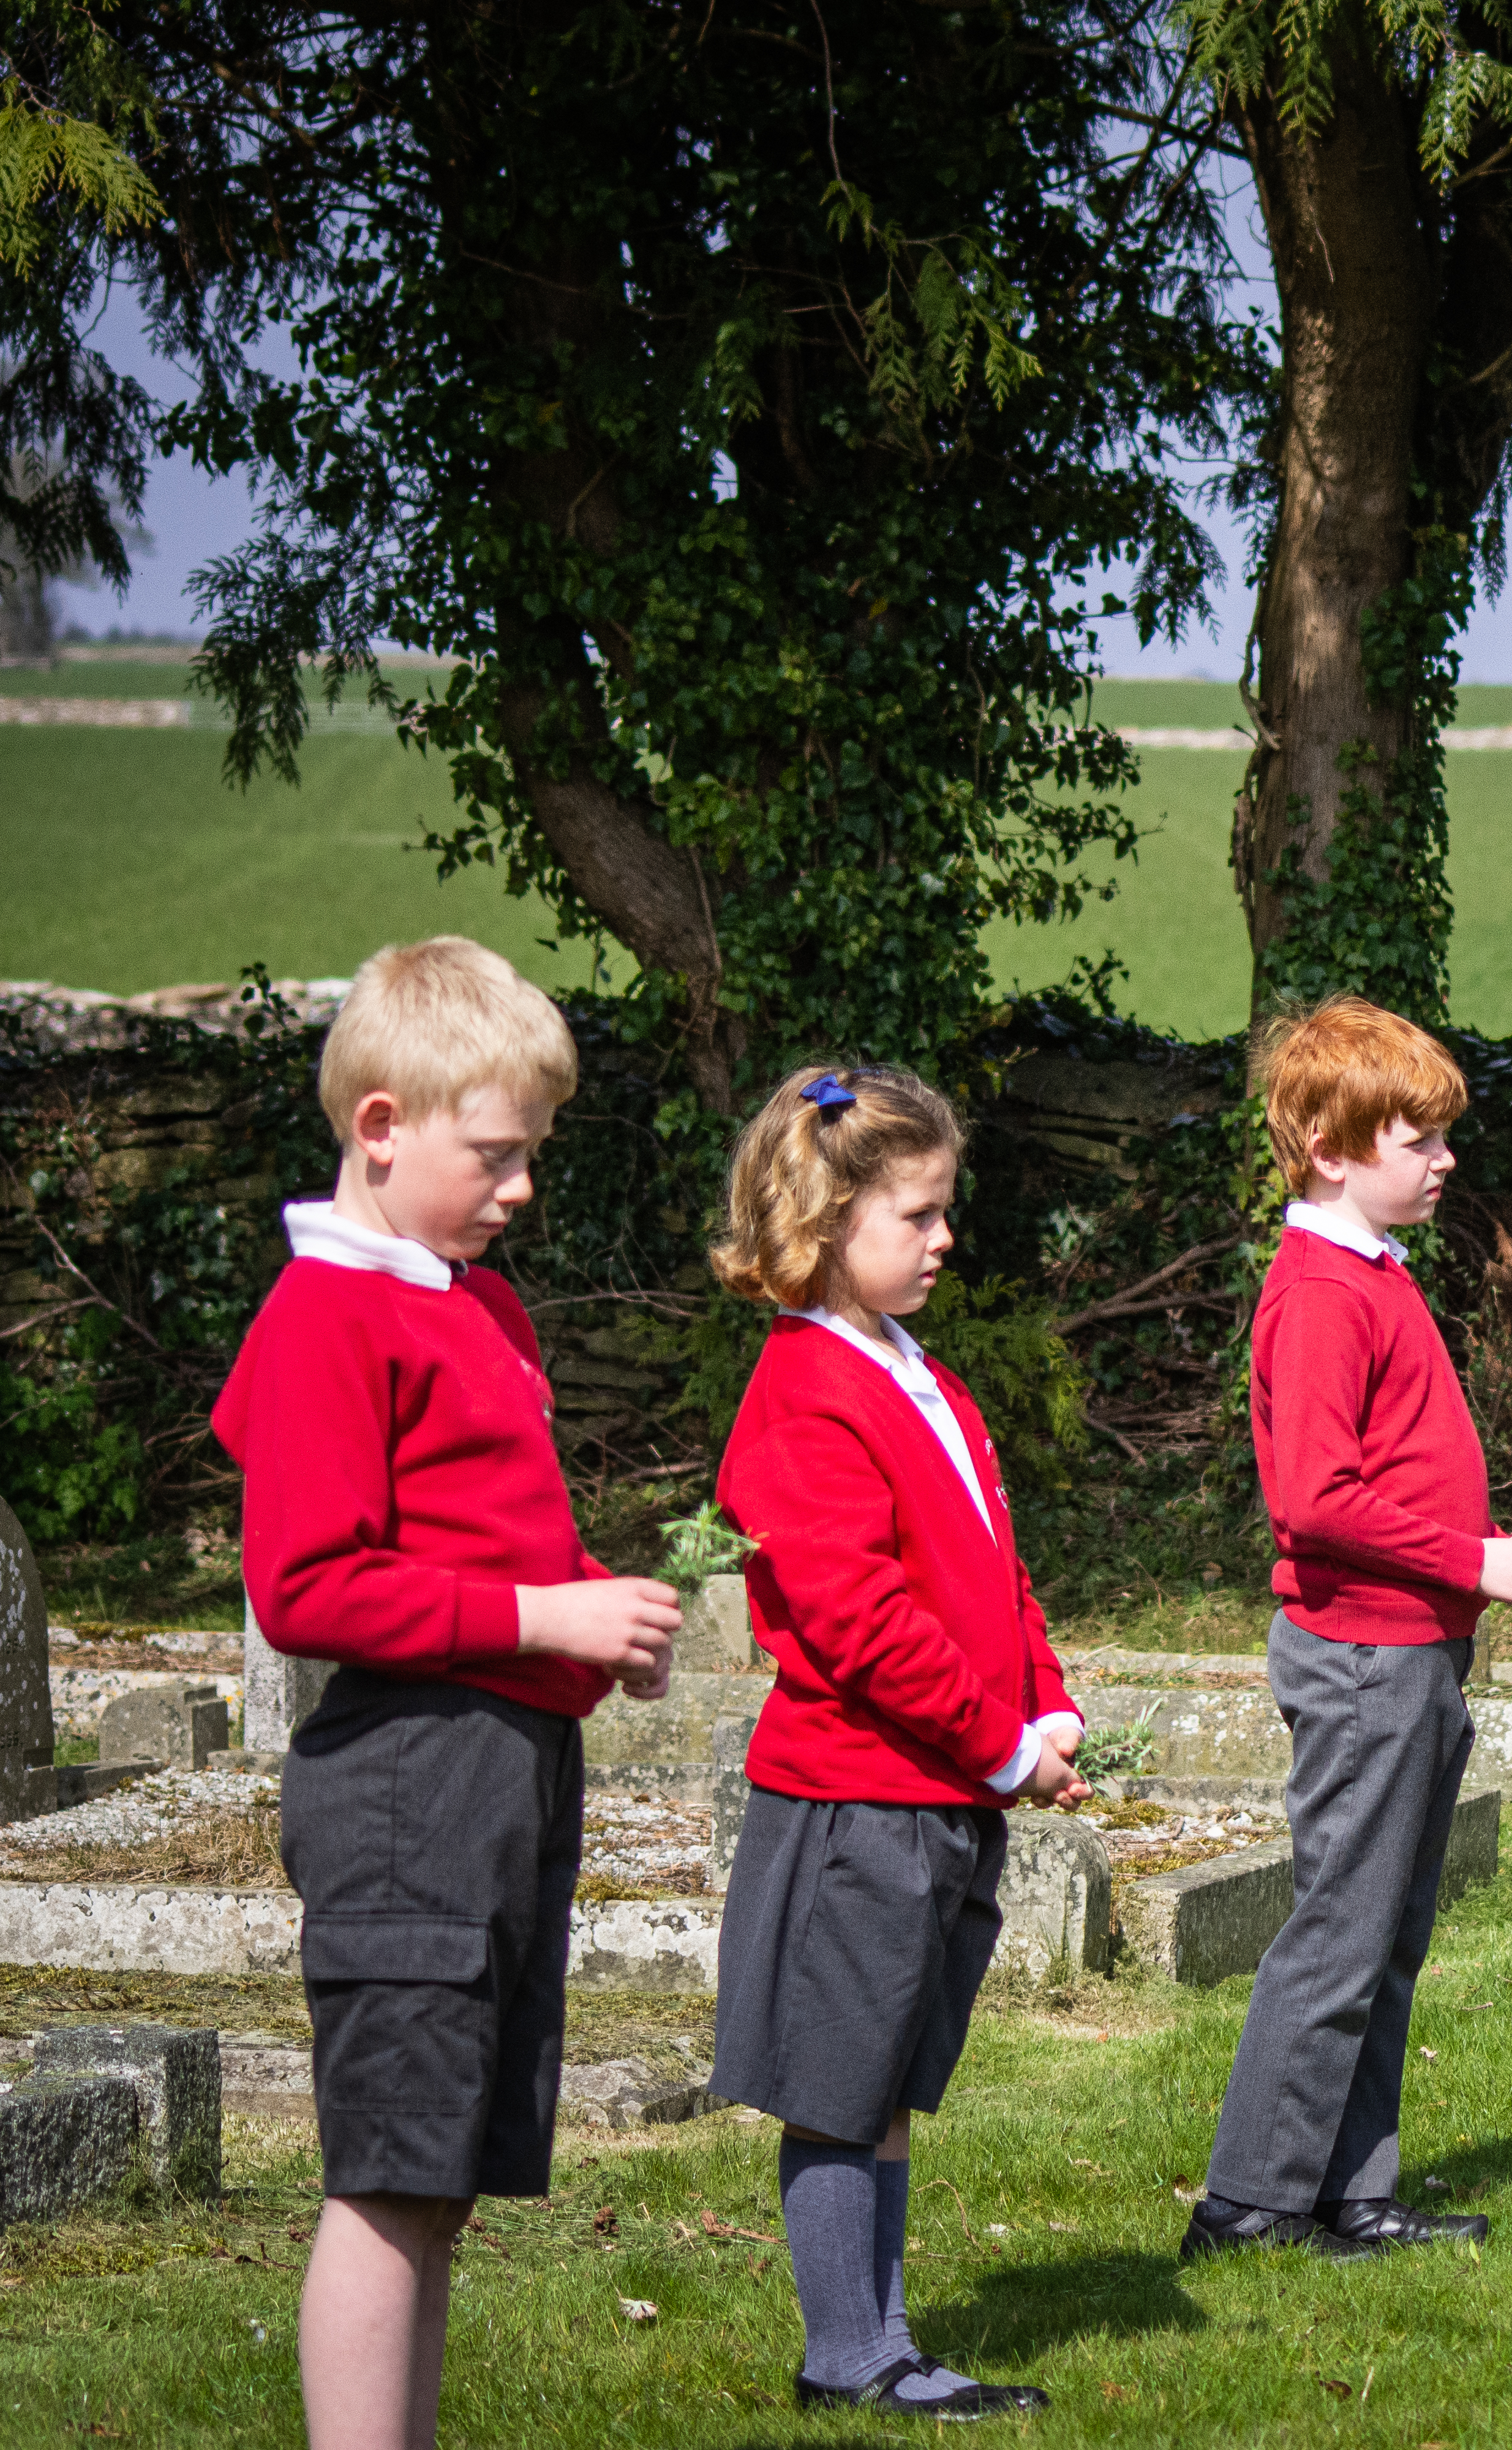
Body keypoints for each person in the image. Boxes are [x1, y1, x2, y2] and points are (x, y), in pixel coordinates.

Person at [210, 937, 681, 2450]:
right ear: (382, 1128)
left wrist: (586, 1630)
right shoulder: (327, 1319)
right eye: (496, 1154)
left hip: (501, 1759)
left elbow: (487, 1534)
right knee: (390, 2173)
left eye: (531, 1153)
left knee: (443, 2173)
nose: (521, 1186)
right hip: (408, 1775)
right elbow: (307, 1589)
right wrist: (549, 1610)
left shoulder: (470, 1302)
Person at [708, 1064, 1083, 2419]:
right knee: (839, 2079)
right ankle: (849, 2352)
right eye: (916, 1214)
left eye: (944, 1208)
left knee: (889, 2079)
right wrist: (1001, 1746)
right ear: (821, 1222)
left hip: (941, 1789)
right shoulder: (805, 1393)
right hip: (859, 1794)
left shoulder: (924, 1376)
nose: (943, 1237)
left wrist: (1046, 1701)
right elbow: (861, 1623)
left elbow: (994, 1570)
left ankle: (879, 2334)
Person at [1183, 997, 1512, 2260]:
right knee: (1341, 1931)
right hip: (1363, 1654)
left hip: (1412, 1647)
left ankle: (1351, 2188)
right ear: (1331, 1147)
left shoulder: (1374, 1270)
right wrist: (1475, 1558)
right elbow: (1316, 1497)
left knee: (1389, 1929)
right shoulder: (1319, 1294)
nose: (1445, 1159)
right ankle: (1250, 2202)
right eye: (1420, 1138)